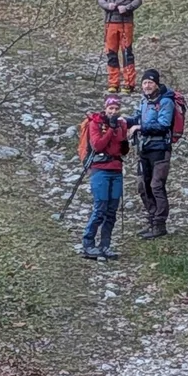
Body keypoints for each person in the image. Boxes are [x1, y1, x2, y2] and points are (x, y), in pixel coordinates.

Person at [77, 95, 130, 260]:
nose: (113, 111)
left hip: (116, 169)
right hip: (100, 170)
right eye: (111, 108)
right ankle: (88, 244)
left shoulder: (121, 124)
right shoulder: (96, 124)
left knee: (112, 210)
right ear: (105, 108)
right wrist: (112, 130)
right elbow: (98, 145)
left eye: (116, 108)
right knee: (100, 208)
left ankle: (105, 245)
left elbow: (123, 150)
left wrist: (123, 134)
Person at [128, 68, 176, 238]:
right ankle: (151, 218)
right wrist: (122, 121)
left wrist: (141, 128)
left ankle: (159, 224)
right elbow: (136, 118)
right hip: (144, 149)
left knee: (156, 186)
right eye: (145, 83)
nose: (147, 86)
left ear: (156, 84)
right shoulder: (144, 101)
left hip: (160, 149)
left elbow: (163, 125)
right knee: (143, 186)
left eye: (150, 82)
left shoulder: (166, 102)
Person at [96, 0, 143, 94]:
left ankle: (129, 84)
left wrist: (127, 7)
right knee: (111, 53)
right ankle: (113, 83)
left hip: (126, 22)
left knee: (127, 52)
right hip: (110, 21)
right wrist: (107, 5)